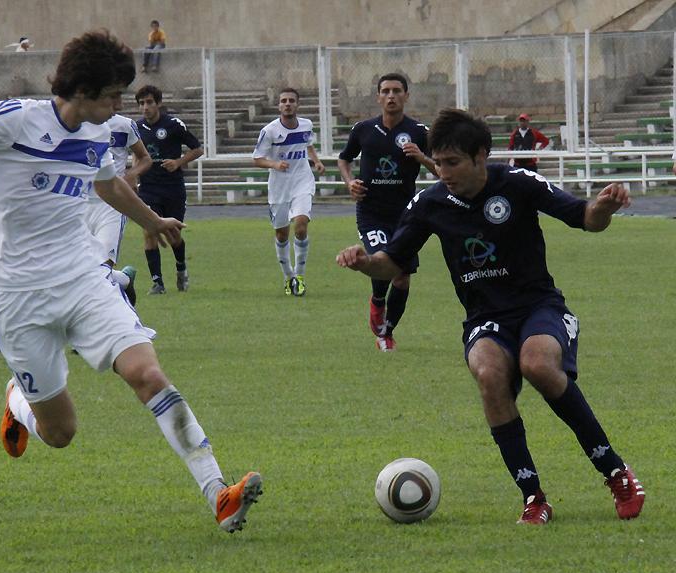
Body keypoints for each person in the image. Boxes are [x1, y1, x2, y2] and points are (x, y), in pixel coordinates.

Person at [0, 29, 262, 534]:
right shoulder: (18, 119)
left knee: (148, 374)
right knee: (60, 432)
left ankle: (218, 494)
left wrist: (153, 221)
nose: (120, 106)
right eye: (112, 95)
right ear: (81, 90)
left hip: (84, 280)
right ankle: (18, 402)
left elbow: (109, 185)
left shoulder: (99, 132)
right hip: (17, 296)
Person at [336, 108, 645, 525]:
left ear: (481, 156)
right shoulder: (429, 203)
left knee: (537, 364)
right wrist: (364, 263)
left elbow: (586, 218)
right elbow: (391, 263)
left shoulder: (517, 183)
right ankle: (533, 497)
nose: (443, 172)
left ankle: (615, 472)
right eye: (438, 162)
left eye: (452, 162)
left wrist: (604, 207)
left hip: (539, 307)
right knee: (488, 373)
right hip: (485, 317)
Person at [337, 73, 437, 351]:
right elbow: (344, 159)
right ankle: (378, 301)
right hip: (371, 213)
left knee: (402, 276)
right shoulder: (363, 129)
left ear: (406, 96)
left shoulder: (419, 132)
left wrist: (422, 158)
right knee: (382, 261)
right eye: (385, 91)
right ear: (378, 97)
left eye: (396, 91)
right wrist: (350, 183)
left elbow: (442, 169)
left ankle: (386, 332)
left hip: (406, 215)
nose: (391, 96)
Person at [252, 87, 325, 296]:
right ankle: (288, 277)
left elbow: (308, 145)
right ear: (279, 106)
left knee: (301, 225)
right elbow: (257, 159)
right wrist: (275, 164)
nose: (287, 104)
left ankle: (299, 277)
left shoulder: (306, 124)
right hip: (279, 187)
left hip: (302, 181)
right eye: (284, 101)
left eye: (291, 100)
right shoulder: (270, 131)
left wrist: (316, 161)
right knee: (282, 233)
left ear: (297, 104)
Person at [135, 84, 203, 294]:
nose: (145, 107)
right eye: (141, 103)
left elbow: (197, 149)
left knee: (173, 234)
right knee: (149, 231)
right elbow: (136, 155)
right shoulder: (136, 128)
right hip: (148, 188)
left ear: (158, 103)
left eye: (149, 102)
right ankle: (158, 283)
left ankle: (181, 268)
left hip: (173, 188)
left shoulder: (173, 125)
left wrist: (178, 162)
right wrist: (135, 175)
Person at [84, 112, 153, 306]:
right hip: (79, 204)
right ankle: (124, 279)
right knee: (83, 270)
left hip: (112, 204)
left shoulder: (124, 125)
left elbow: (145, 158)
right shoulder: (76, 123)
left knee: (102, 267)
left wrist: (131, 175)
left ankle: (104, 316)